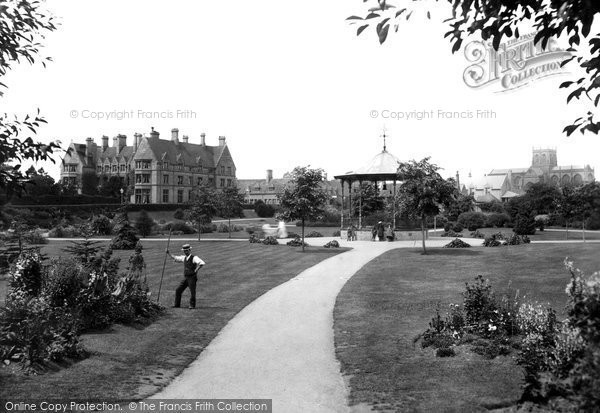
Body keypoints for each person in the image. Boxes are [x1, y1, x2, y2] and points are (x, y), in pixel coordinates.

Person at [166, 243, 205, 309]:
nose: (185, 252)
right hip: (186, 277)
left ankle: (192, 305)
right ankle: (177, 304)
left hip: (192, 277)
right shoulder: (183, 258)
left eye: (186, 250)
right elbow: (175, 257)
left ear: (190, 250)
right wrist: (168, 253)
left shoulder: (194, 258)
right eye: (184, 251)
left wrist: (196, 270)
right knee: (178, 290)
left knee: (192, 291)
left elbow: (202, 263)